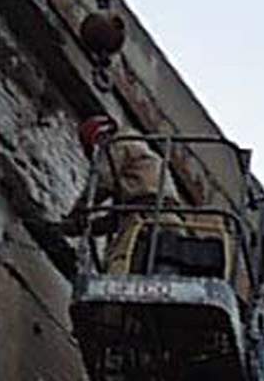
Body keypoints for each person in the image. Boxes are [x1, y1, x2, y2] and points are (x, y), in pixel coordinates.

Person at [65, 114, 181, 275]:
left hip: (145, 224)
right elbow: (116, 220)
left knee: (118, 270)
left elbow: (102, 183)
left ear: (101, 137)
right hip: (168, 223)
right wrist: (83, 227)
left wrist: (78, 211)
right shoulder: (143, 165)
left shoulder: (120, 143)